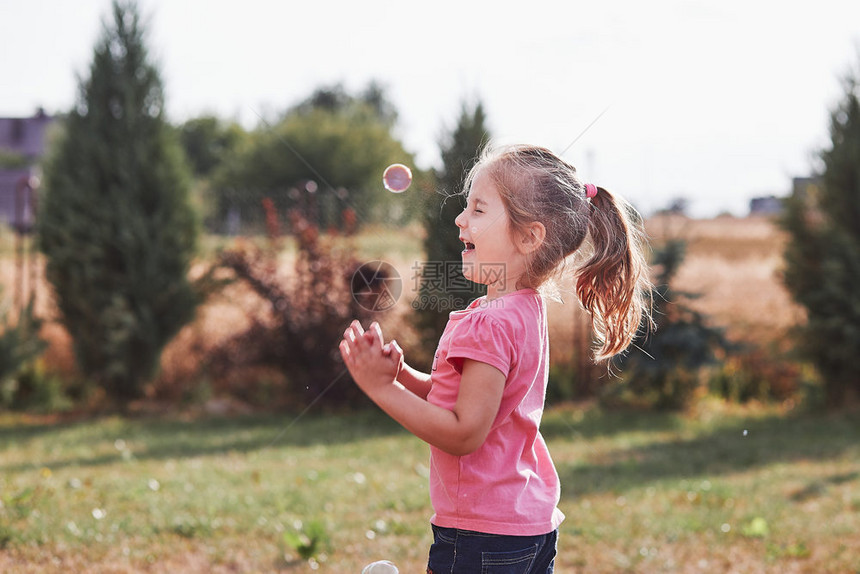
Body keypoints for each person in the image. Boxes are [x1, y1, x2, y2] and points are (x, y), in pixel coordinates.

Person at [340, 144, 652, 573]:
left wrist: (380, 388)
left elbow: (464, 431)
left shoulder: (489, 325)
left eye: (479, 210)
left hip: (481, 534)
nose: (460, 219)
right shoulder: (523, 311)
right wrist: (405, 377)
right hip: (525, 526)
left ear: (529, 237)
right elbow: (471, 400)